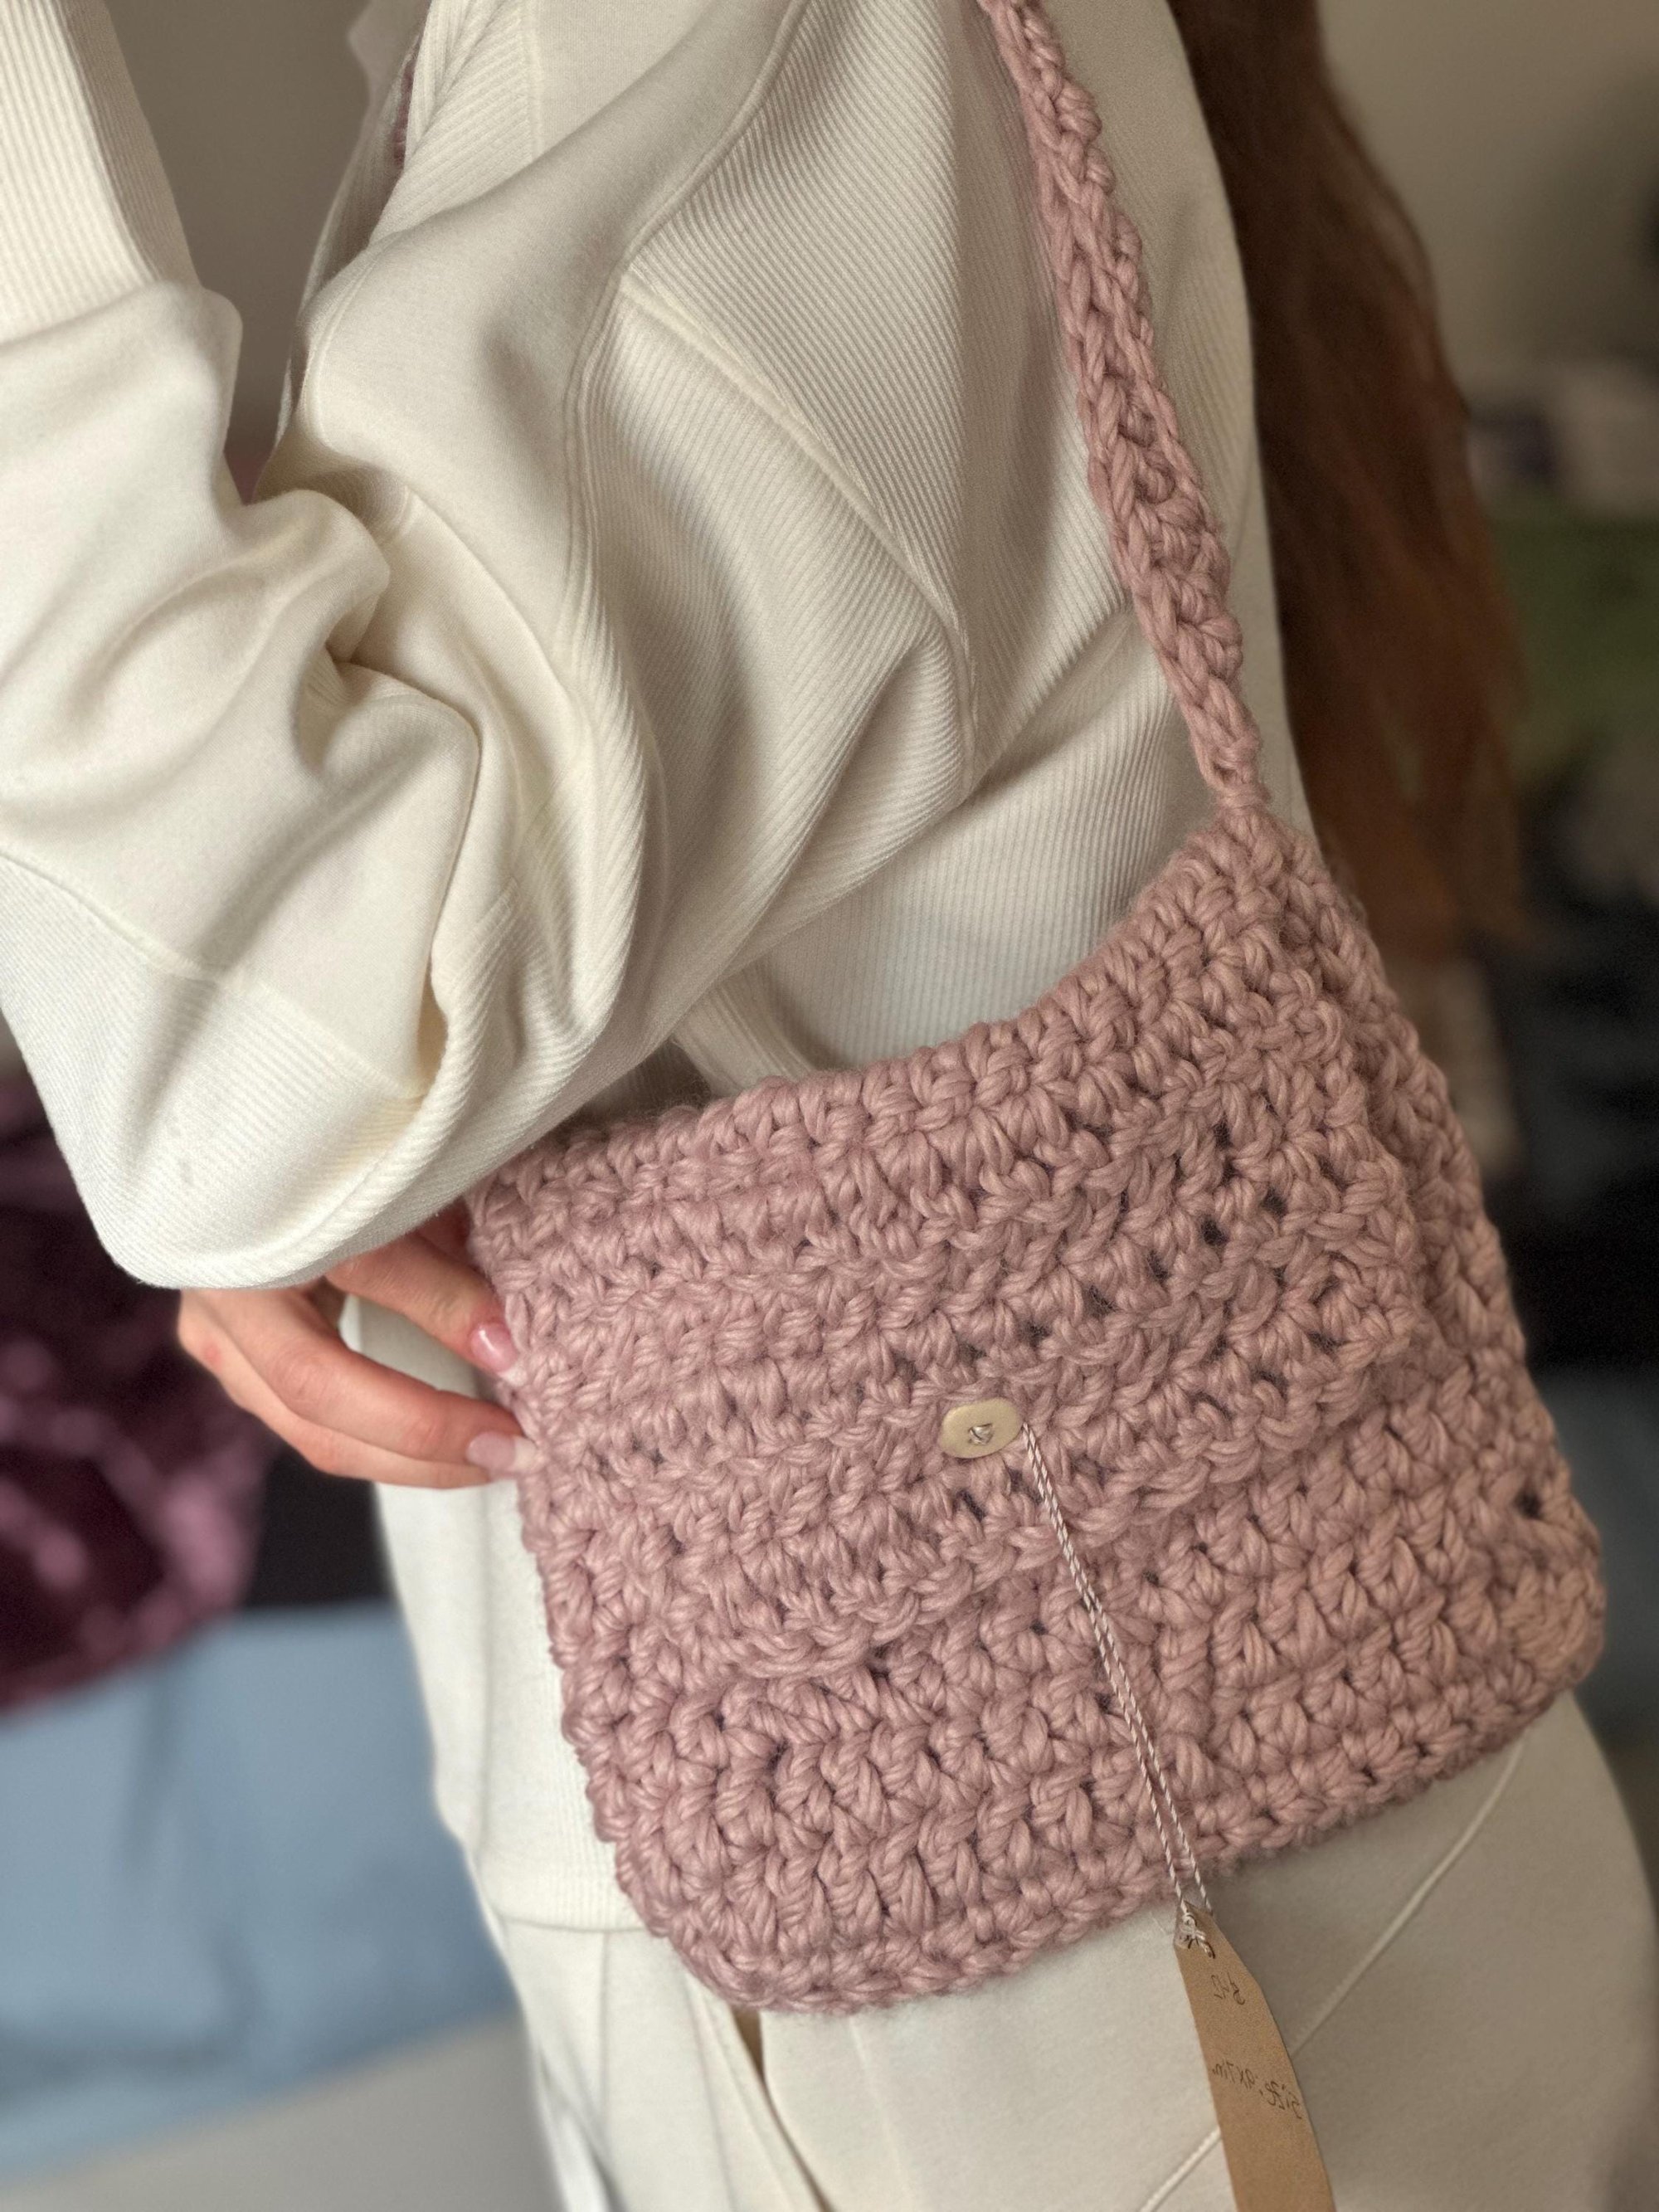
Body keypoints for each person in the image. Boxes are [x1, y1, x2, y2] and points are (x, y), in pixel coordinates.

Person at [2, 0, 1655, 2204]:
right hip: (1102, 1985)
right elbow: (309, 1043)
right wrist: (306, 1132)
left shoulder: (731, 42)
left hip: (1114, 2015)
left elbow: (251, 1059)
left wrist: (276, 1115)